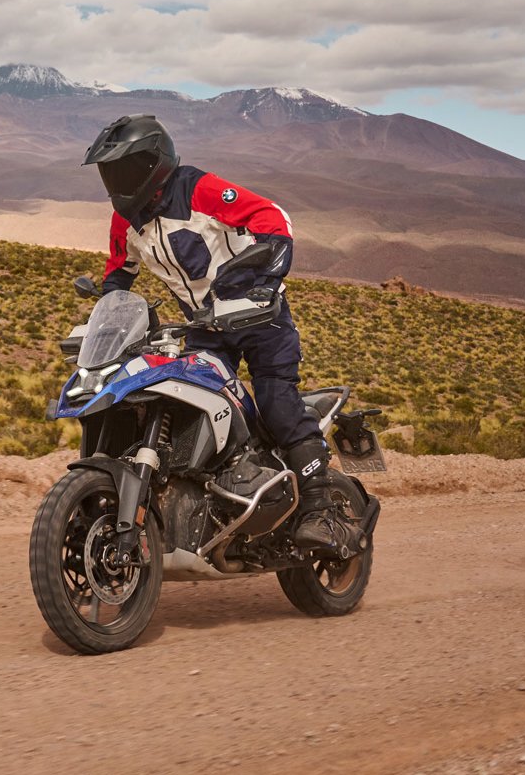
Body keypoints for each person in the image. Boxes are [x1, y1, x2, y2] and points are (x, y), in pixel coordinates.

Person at [82, 113, 359, 555]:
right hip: (204, 329)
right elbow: (120, 272)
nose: (114, 181)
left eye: (122, 170)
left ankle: (319, 511)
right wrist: (104, 314)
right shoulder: (127, 221)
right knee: (192, 409)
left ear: (152, 164)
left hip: (258, 317)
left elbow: (273, 218)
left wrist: (266, 280)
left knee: (275, 402)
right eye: (108, 172)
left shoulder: (199, 190)